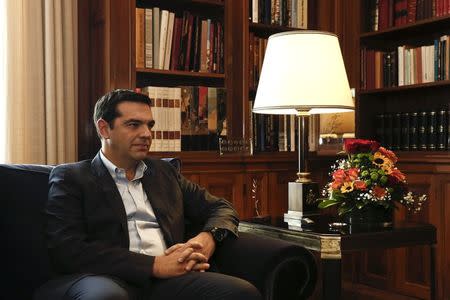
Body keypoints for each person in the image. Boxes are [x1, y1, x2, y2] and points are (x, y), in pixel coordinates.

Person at [35, 89, 261, 300]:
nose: (146, 134)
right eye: (133, 125)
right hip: (109, 277)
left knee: (242, 292)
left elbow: (221, 207)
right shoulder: (72, 177)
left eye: (149, 125)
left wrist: (207, 238)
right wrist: (154, 265)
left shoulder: (164, 173)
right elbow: (68, 249)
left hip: (173, 277)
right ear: (104, 129)